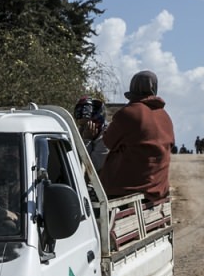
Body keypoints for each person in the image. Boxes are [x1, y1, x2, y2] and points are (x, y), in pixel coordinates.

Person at [98, 70, 175, 203]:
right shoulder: (165, 116)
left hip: (126, 188)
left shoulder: (128, 113)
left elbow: (108, 141)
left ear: (133, 87)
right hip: (159, 188)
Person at [73, 96, 109, 170]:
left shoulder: (106, 135)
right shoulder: (80, 131)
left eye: (85, 125)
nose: (82, 129)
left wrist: (87, 140)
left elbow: (90, 168)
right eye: (81, 126)